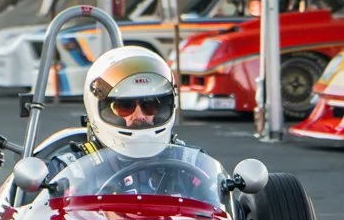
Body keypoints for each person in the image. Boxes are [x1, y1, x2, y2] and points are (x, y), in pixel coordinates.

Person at [43, 46, 224, 204]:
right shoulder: (70, 169)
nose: (139, 116)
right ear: (98, 107)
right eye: (124, 106)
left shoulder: (191, 164)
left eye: (150, 105)